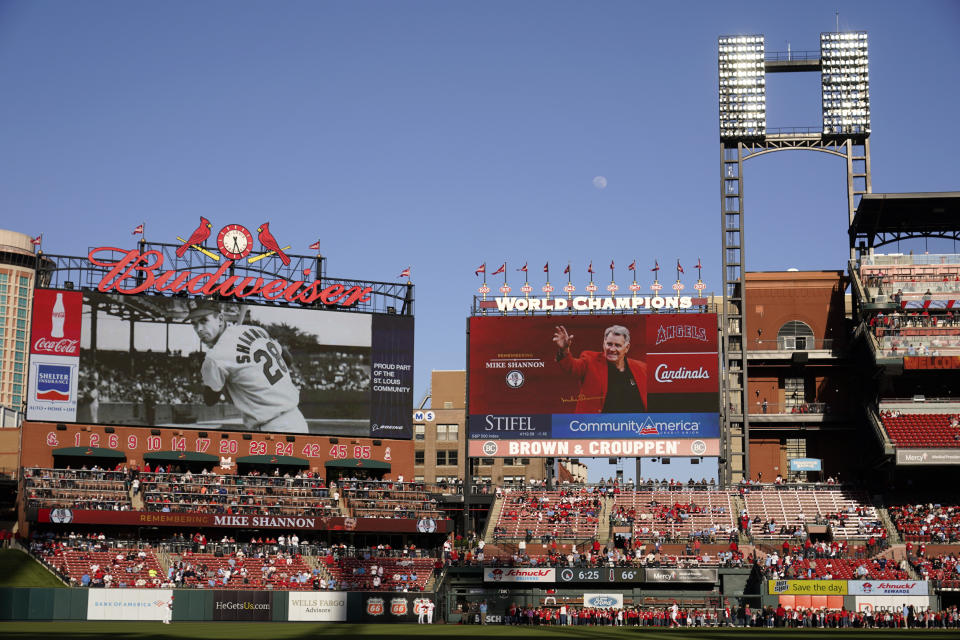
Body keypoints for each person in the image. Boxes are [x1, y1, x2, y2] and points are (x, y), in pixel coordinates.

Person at [188, 300, 308, 432]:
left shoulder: (214, 357)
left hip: (272, 427)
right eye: (194, 324)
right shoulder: (256, 330)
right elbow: (288, 359)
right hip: (297, 420)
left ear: (220, 319)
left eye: (204, 321)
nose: (198, 329)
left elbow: (210, 400)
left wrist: (224, 380)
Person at [553, 324, 647, 413]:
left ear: (627, 348)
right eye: (609, 344)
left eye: (617, 345)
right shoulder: (590, 360)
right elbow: (572, 367)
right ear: (603, 344)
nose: (612, 349)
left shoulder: (641, 368)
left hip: (635, 425)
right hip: (600, 426)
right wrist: (564, 350)